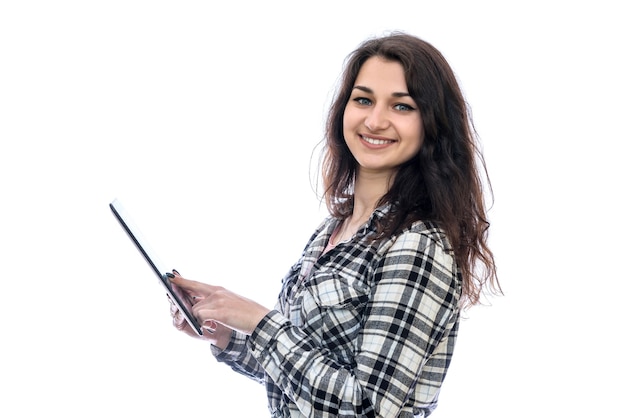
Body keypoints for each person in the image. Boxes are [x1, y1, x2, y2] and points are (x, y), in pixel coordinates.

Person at [167, 32, 501, 417]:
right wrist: (227, 334)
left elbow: (366, 408)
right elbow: (305, 374)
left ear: (431, 124)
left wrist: (259, 322)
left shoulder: (418, 245)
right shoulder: (335, 228)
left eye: (402, 106)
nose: (375, 121)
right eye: (363, 100)